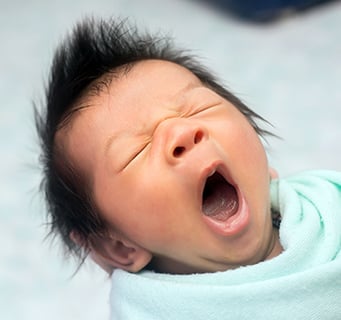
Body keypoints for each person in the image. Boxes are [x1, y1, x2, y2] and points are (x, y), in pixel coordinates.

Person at [36, 17, 341, 319]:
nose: (181, 133)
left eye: (199, 108)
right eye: (136, 151)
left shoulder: (328, 206)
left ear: (266, 169)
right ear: (118, 246)